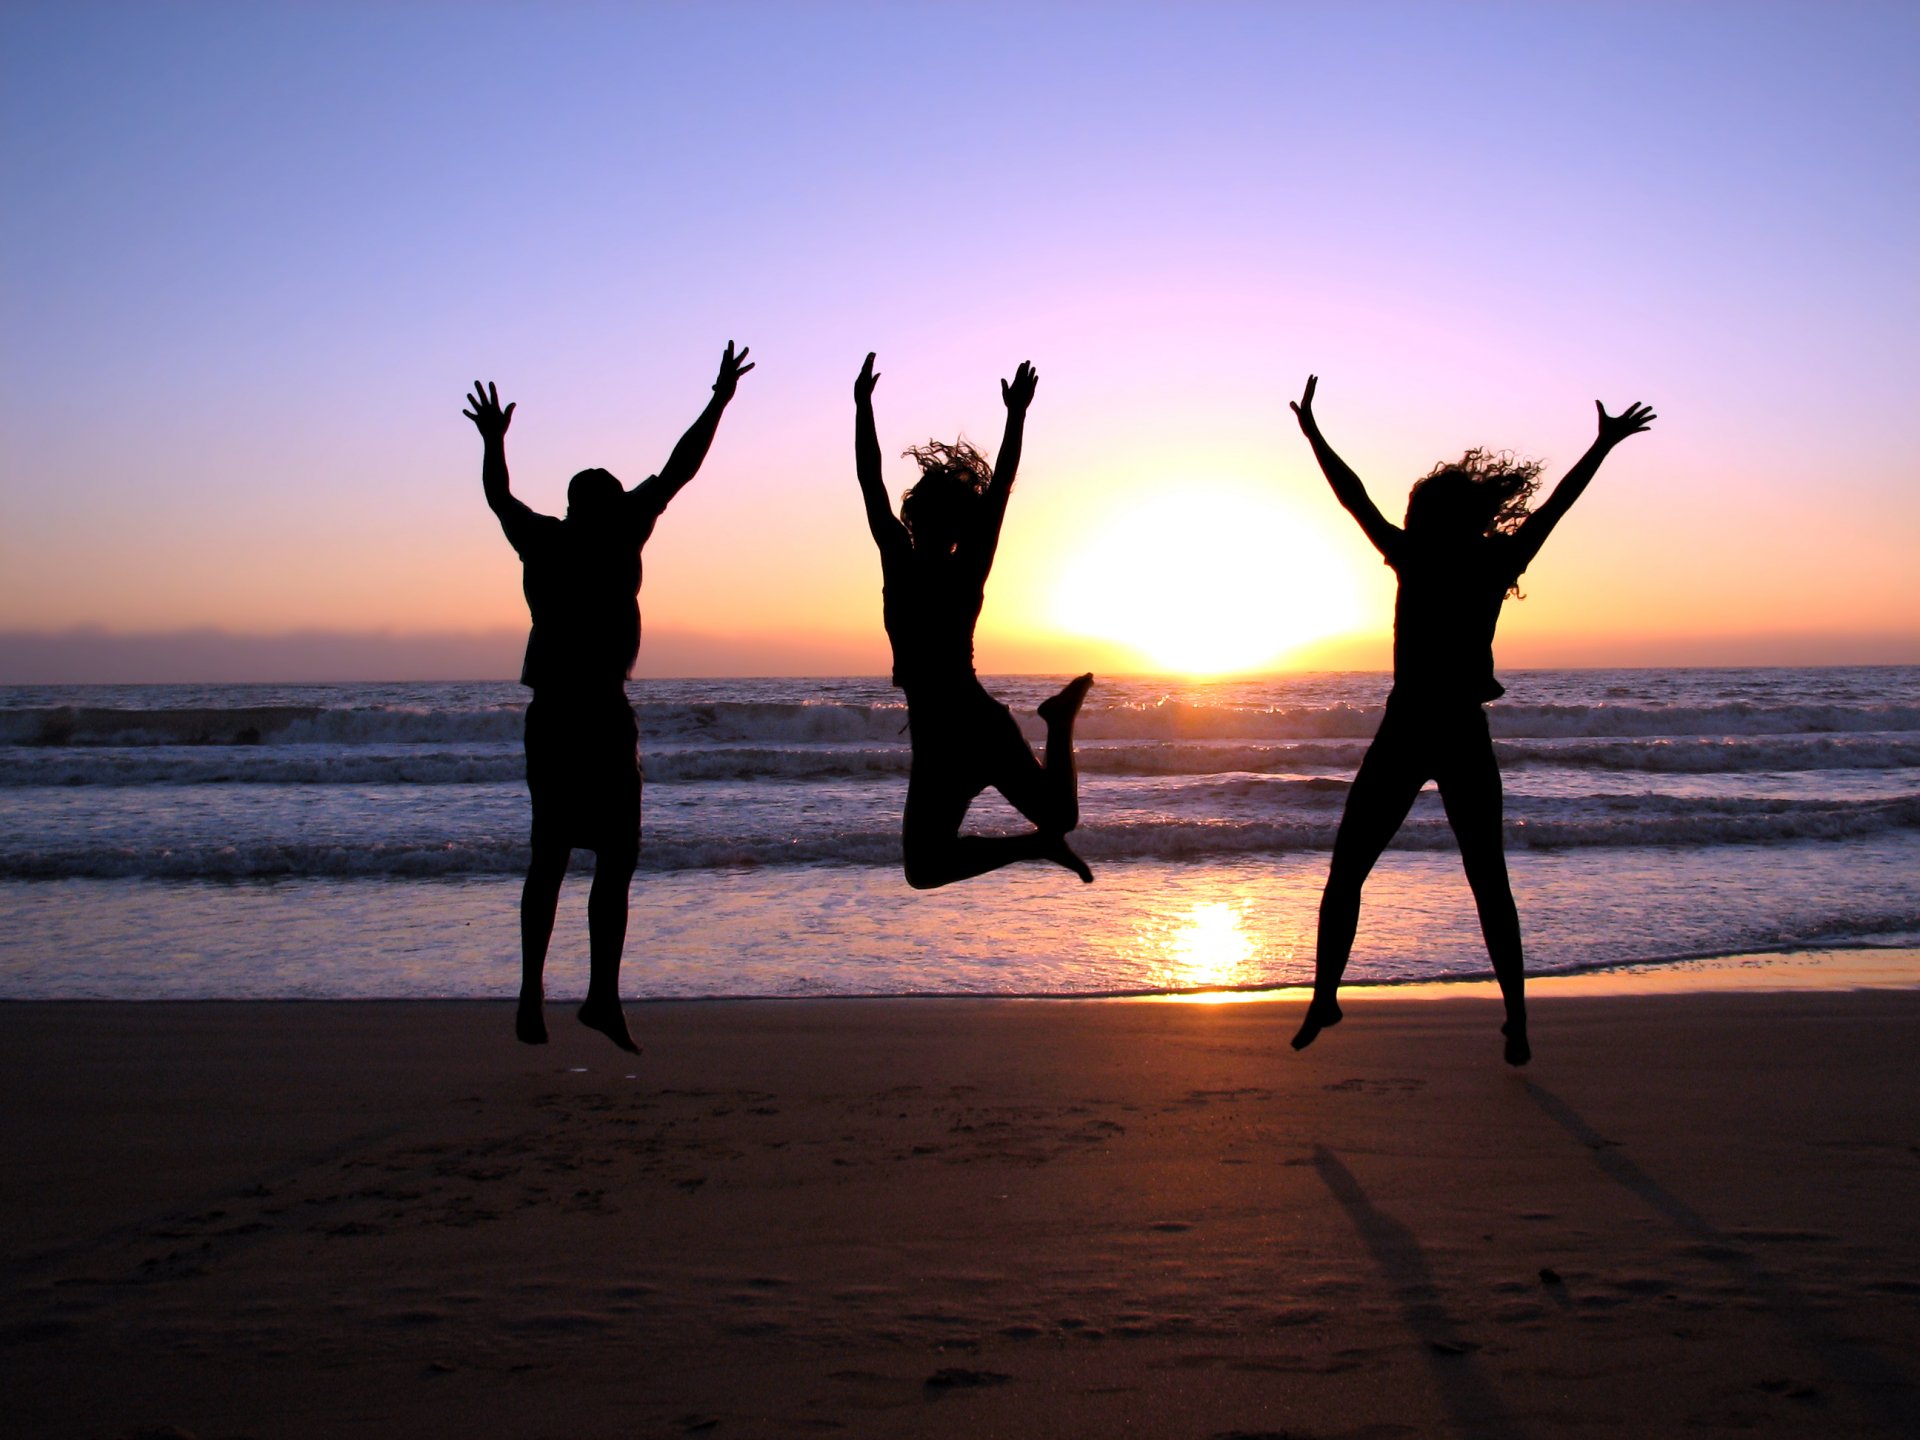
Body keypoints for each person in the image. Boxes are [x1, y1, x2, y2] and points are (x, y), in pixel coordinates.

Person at [1287, 374, 1655, 1065]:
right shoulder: (1492, 559)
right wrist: (1601, 446)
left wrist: (1314, 434)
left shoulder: (1415, 554)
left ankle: (1327, 995)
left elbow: (1352, 496)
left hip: (1413, 729)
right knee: (1486, 878)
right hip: (1457, 730)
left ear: (1429, 514)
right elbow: (1555, 508)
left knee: (1351, 872)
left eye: (1419, 505)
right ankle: (1514, 1018)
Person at [463, 342, 753, 1052]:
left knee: (553, 857)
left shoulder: (544, 540)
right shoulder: (618, 532)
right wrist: (718, 400)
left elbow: (499, 497)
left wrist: (495, 443)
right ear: (613, 505)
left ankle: (546, 993)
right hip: (592, 712)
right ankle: (593, 994)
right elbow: (681, 468)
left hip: (557, 714)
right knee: (609, 858)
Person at [852, 351, 1094, 889]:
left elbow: (872, 484)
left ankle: (1057, 726)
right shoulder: (959, 564)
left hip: (952, 730)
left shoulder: (907, 559)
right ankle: (1053, 743)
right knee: (934, 863)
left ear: (916, 515)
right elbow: (996, 492)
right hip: (964, 729)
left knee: (927, 866)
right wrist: (1015, 417)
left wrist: (863, 409)